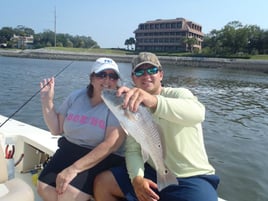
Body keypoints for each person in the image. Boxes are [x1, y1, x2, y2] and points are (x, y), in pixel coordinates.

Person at [94, 52, 220, 201]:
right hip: (152, 171)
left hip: (192, 177)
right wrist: (137, 179)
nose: (146, 75)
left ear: (161, 74)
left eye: (152, 70)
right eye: (140, 72)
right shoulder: (132, 105)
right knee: (103, 183)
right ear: (134, 78)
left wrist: (154, 101)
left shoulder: (179, 94)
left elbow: (198, 113)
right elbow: (134, 149)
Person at [37, 57, 126, 201]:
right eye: (102, 75)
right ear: (92, 78)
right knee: (44, 188)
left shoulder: (118, 105)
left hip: (100, 155)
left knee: (68, 195)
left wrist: (73, 169)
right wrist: (47, 101)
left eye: (113, 76)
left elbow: (111, 144)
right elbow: (56, 129)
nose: (107, 80)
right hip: (69, 150)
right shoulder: (76, 96)